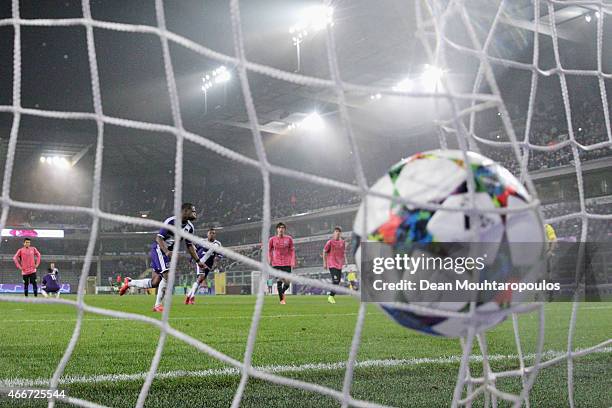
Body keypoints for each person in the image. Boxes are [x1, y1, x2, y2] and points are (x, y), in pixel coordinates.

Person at [120, 203, 204, 312]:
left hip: (168, 252)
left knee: (155, 282)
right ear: (185, 211)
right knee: (167, 276)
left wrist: (198, 261)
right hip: (159, 249)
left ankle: (129, 283)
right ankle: (157, 305)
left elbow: (189, 245)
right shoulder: (171, 221)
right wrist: (167, 252)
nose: (195, 213)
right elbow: (159, 238)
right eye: (193, 211)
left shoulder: (190, 228)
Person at [185, 228, 222, 304]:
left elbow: (219, 254)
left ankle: (188, 296)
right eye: (210, 233)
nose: (211, 234)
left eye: (213, 233)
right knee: (200, 278)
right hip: (200, 262)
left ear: (215, 235)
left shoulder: (217, 244)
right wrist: (191, 259)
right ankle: (192, 298)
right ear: (207, 234)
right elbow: (194, 251)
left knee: (200, 280)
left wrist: (216, 261)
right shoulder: (202, 242)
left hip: (209, 265)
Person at [268, 222, 295, 304]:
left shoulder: (289, 239)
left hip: (287, 263)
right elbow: (269, 250)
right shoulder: (272, 239)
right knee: (279, 280)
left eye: (283, 228)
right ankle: (282, 300)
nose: (281, 229)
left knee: (287, 283)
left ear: (285, 230)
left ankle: (282, 292)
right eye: (279, 228)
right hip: (276, 263)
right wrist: (269, 260)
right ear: (277, 229)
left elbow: (292, 250)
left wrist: (293, 261)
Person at [323, 226, 347, 304]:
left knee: (338, 282)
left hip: (339, 264)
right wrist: (325, 262)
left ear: (341, 233)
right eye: (336, 231)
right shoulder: (330, 242)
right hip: (332, 263)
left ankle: (331, 296)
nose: (337, 233)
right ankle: (330, 296)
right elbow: (324, 252)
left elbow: (343, 252)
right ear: (334, 233)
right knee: (335, 280)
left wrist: (345, 261)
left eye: (339, 231)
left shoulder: (342, 242)